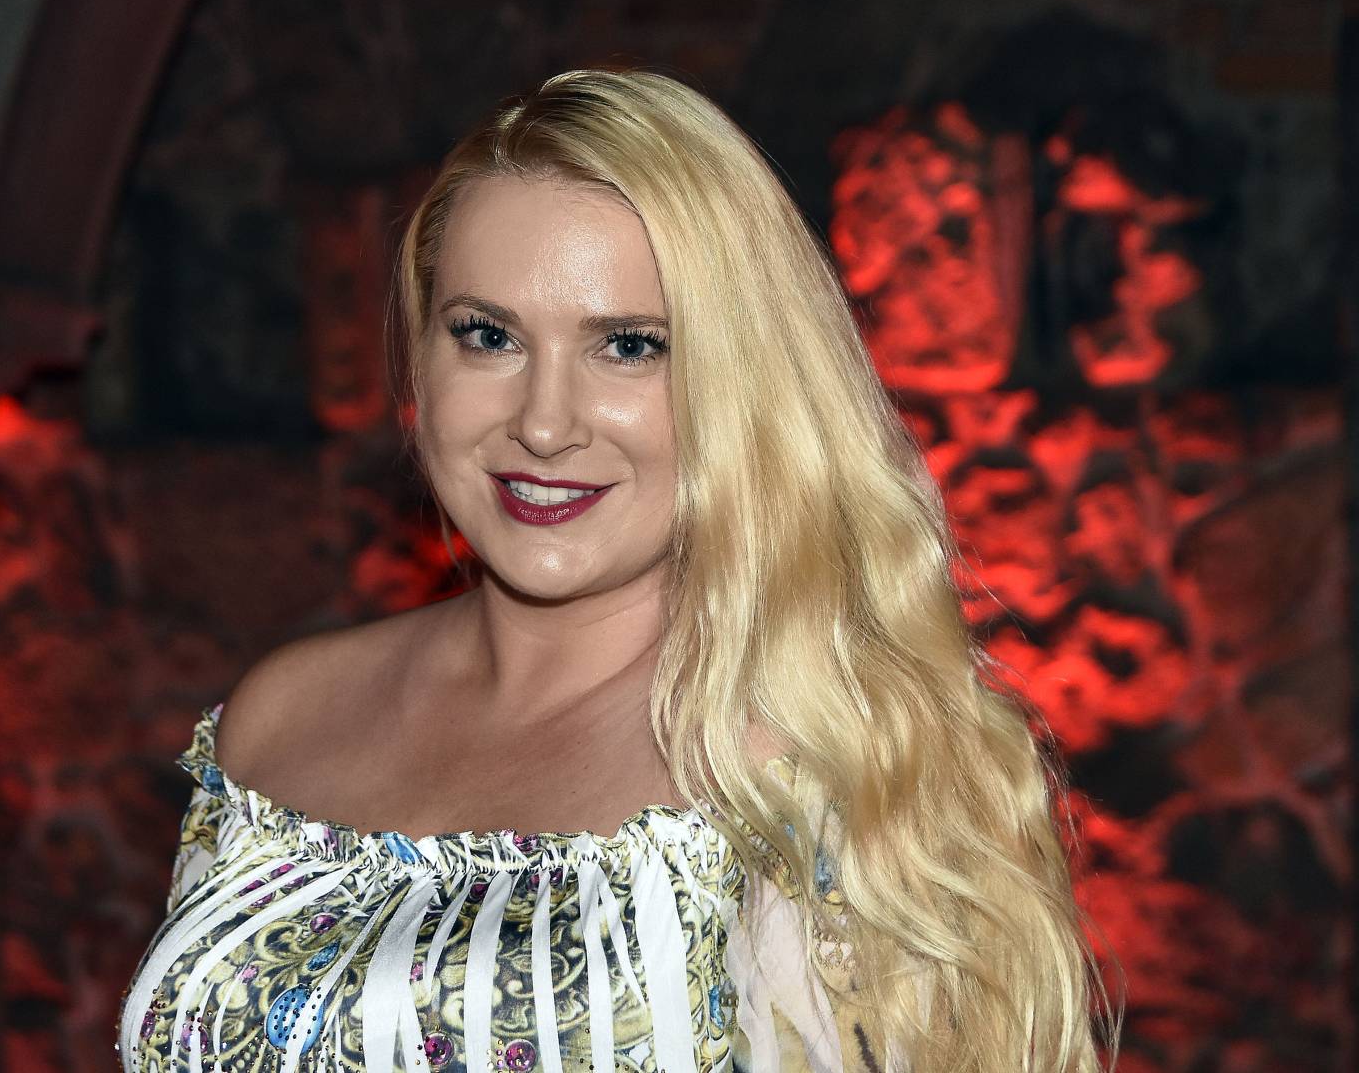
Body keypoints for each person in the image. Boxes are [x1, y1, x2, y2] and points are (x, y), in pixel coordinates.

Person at [118, 67, 1117, 1072]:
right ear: (422, 356)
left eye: (630, 346)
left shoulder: (824, 777)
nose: (544, 423)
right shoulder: (282, 720)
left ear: (742, 380)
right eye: (488, 336)